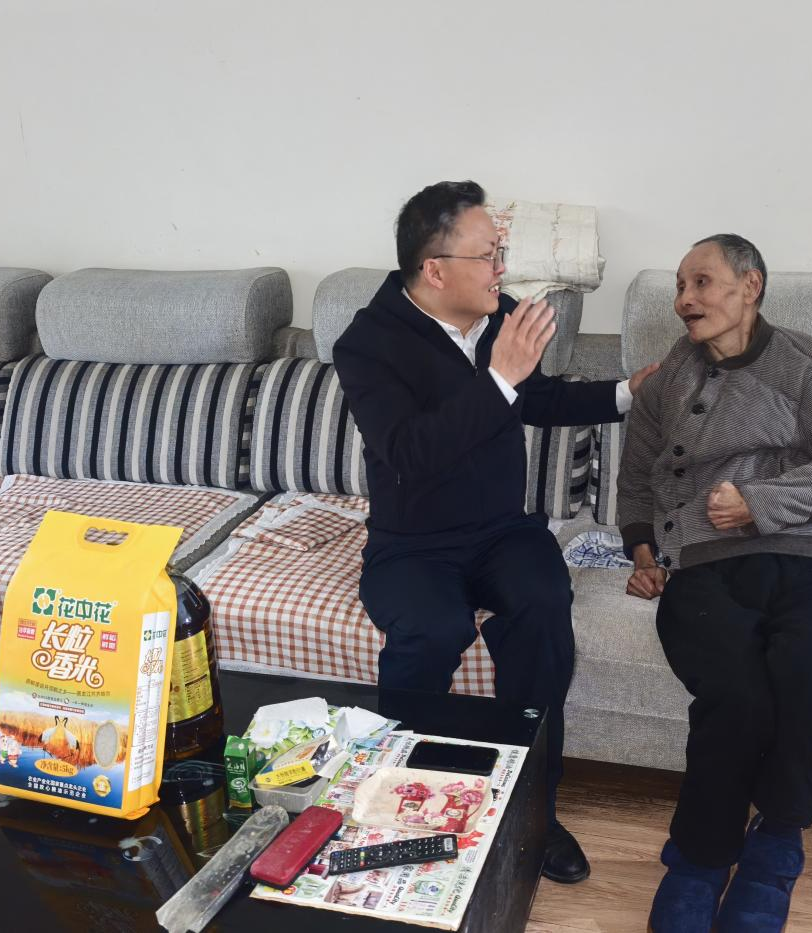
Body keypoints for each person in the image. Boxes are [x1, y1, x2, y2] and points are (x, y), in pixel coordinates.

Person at [333, 180, 659, 883]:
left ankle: (532, 807)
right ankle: (406, 794)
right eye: (488, 255)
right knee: (432, 629)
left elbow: (534, 396)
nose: (500, 269)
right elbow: (409, 452)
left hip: (501, 529)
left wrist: (628, 392)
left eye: (500, 253)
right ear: (434, 268)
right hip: (412, 540)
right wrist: (499, 379)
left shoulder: (496, 314)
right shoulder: (367, 344)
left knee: (543, 606)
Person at [617, 234, 812, 932]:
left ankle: (774, 845)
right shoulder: (669, 379)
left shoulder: (804, 365)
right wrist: (642, 551)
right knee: (733, 695)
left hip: (811, 557)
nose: (684, 299)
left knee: (804, 679)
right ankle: (700, 857)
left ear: (750, 286)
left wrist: (761, 503)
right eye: (679, 286)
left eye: (700, 282)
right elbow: (637, 472)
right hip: (704, 560)